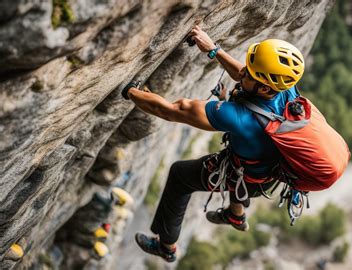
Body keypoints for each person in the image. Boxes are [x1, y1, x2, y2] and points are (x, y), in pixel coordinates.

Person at [123, 24, 304, 262]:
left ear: (264, 87)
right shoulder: (286, 90)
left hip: (245, 173)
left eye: (251, 72)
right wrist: (213, 50)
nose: (244, 72)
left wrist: (129, 92)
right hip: (268, 174)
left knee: (180, 175)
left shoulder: (236, 117)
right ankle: (235, 215)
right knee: (243, 172)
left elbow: (169, 110)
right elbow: (245, 76)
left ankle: (166, 246)